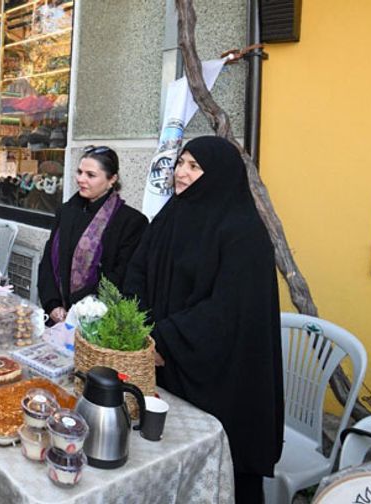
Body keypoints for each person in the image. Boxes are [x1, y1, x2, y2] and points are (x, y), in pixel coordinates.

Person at [123, 136, 284, 503]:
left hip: (217, 377)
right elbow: (139, 268)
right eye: (180, 163)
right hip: (164, 364)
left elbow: (228, 311)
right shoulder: (173, 214)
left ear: (220, 175)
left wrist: (165, 340)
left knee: (215, 472)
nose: (181, 172)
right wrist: (136, 325)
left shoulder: (245, 233)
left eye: (194, 166)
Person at [37, 145, 147, 323]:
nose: (81, 179)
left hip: (97, 321)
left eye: (90, 175)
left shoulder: (131, 222)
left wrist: (78, 309)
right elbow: (48, 262)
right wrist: (53, 305)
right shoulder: (66, 212)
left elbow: (119, 278)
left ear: (112, 179)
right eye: (79, 172)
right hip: (57, 317)